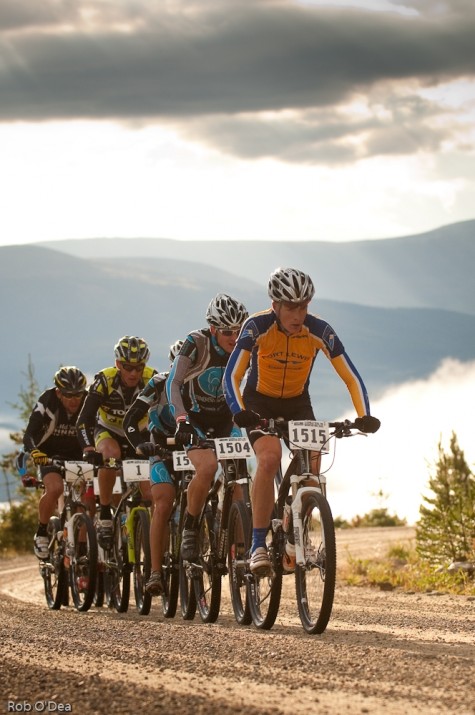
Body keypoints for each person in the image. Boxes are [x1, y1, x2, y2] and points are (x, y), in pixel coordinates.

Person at [223, 267, 381, 576]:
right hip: (258, 404)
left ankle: (297, 532)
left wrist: (364, 416)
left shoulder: (319, 330)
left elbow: (350, 377)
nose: (298, 314)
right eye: (291, 307)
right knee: (268, 459)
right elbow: (233, 374)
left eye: (304, 306)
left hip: (298, 404)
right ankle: (257, 544)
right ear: (276, 305)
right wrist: (239, 409)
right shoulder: (256, 327)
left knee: (312, 463)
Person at [166, 294, 248, 562]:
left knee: (238, 477)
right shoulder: (196, 343)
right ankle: (190, 525)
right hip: (195, 420)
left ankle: (240, 545)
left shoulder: (245, 344)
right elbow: (173, 383)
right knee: (208, 467)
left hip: (227, 419)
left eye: (238, 330)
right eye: (227, 331)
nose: (234, 337)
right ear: (213, 328)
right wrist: (181, 419)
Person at [76, 336, 156, 547]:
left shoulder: (152, 379)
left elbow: (165, 412)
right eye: (128, 367)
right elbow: (84, 420)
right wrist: (88, 448)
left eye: (138, 367)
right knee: (110, 456)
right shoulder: (104, 380)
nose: (133, 373)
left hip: (138, 434)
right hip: (109, 430)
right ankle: (104, 514)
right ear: (118, 364)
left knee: (151, 493)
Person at [123, 339, 183, 596]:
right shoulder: (159, 383)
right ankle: (155, 572)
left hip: (193, 449)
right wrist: (140, 445)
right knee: (163, 502)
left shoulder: (205, 384)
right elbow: (130, 420)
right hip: (161, 450)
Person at [23, 366, 89, 559]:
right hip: (49, 454)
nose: (74, 400)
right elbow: (29, 434)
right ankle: (42, 532)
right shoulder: (47, 400)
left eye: (78, 394)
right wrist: (35, 451)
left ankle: (82, 549)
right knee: (54, 489)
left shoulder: (88, 401)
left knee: (84, 501)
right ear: (59, 393)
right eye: (69, 395)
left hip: (77, 456)